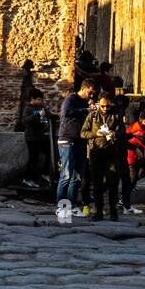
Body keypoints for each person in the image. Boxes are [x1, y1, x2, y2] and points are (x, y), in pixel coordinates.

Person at [81, 92, 126, 221]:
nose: (105, 109)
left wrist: (114, 134)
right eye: (103, 106)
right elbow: (83, 133)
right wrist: (96, 133)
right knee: (97, 185)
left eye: (107, 106)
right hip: (96, 152)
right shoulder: (92, 116)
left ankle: (113, 211)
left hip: (112, 153)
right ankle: (99, 212)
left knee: (113, 184)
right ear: (98, 104)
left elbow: (123, 134)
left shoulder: (116, 115)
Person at [55, 79, 95, 215]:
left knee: (76, 176)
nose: (91, 95)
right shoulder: (71, 98)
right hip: (67, 139)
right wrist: (85, 110)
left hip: (80, 141)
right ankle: (61, 207)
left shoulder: (86, 103)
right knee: (66, 174)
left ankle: (71, 206)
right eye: (90, 92)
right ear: (85, 88)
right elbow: (66, 113)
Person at [20, 88, 53, 188]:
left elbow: (50, 115)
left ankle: (45, 173)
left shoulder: (41, 107)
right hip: (31, 138)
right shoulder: (28, 108)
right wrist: (36, 114)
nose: (40, 101)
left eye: (41, 100)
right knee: (33, 159)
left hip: (41, 136)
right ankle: (27, 179)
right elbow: (25, 121)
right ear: (32, 99)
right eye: (38, 99)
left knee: (49, 152)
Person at [124, 109, 145, 206]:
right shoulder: (139, 130)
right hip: (132, 157)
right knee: (131, 180)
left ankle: (131, 186)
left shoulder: (139, 126)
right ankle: (124, 201)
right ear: (144, 121)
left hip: (138, 157)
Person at [15, 59, 36, 131]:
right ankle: (23, 125)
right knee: (25, 107)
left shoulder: (29, 73)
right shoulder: (25, 72)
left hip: (27, 90)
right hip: (26, 90)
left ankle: (24, 125)